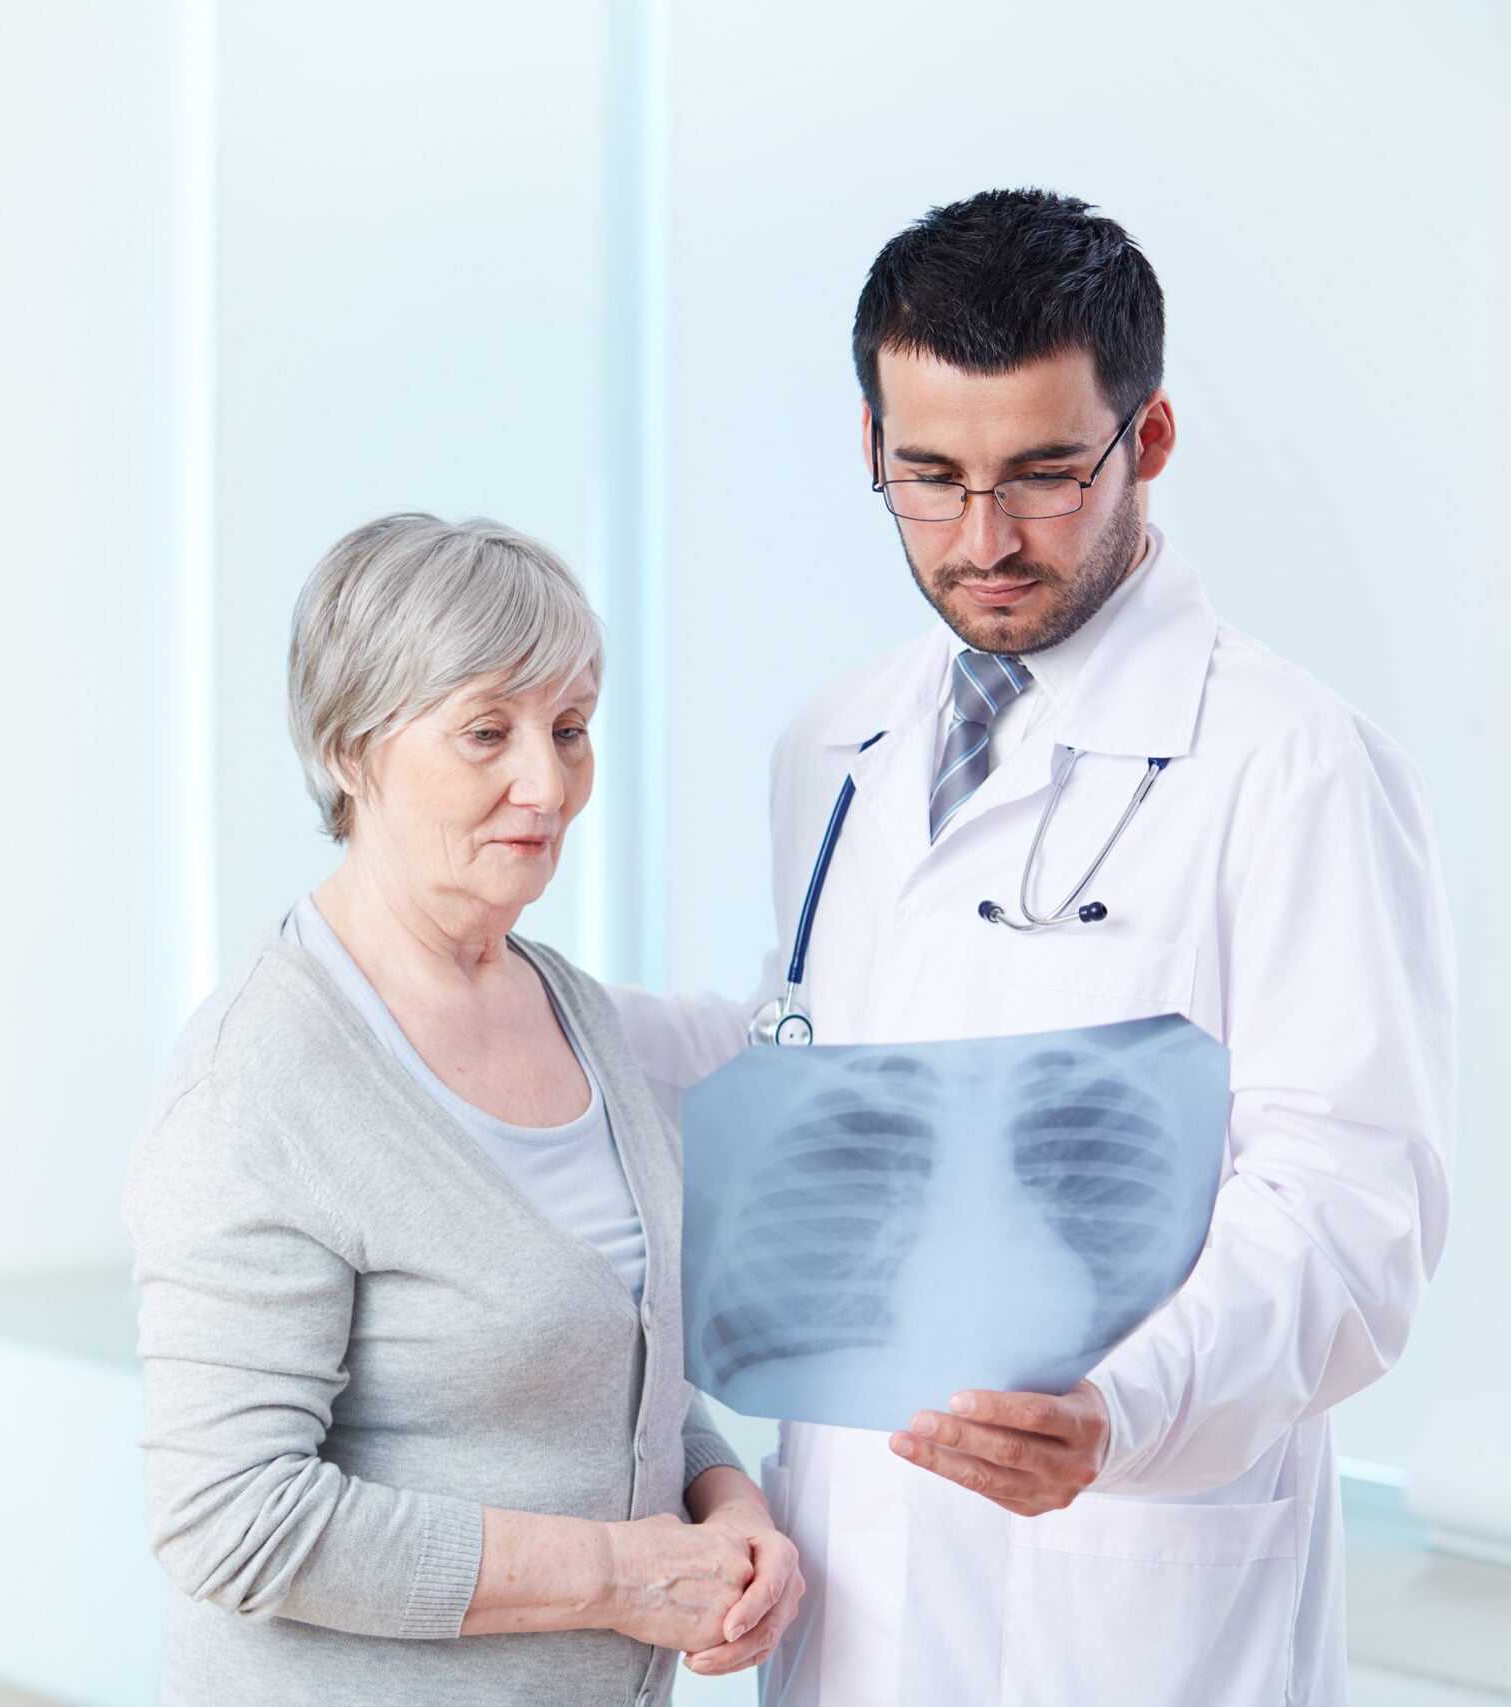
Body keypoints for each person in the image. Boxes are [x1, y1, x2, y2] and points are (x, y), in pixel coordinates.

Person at [612, 188, 1454, 1705]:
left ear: (1153, 437)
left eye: (1045, 474)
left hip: (1126, 1576)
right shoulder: (838, 740)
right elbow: (815, 1054)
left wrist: (1123, 1409)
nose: (983, 539)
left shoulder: (1293, 760)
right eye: (928, 477)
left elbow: (1350, 1205)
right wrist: (515, 1008)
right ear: (868, 445)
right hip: (853, 1567)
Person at [126, 514, 805, 1705]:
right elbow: (229, 1519)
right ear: (349, 747)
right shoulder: (258, 1088)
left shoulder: (576, 1011)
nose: (546, 784)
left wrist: (723, 1501)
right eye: (486, 730)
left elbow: (612, 1375)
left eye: (570, 730)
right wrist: (612, 1576)